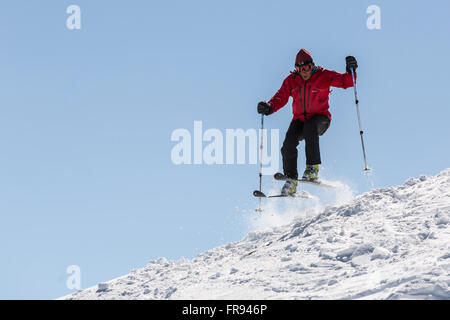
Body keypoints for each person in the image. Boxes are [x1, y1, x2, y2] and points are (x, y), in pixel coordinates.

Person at [257, 49, 358, 196]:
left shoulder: (324, 75)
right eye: (300, 69)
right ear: (296, 69)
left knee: (310, 127)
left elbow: (345, 82)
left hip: (321, 118)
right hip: (299, 120)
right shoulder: (291, 80)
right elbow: (281, 97)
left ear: (312, 66)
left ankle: (312, 168)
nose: (304, 72)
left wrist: (351, 71)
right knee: (288, 144)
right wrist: (269, 107)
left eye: (307, 68)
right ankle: (291, 180)